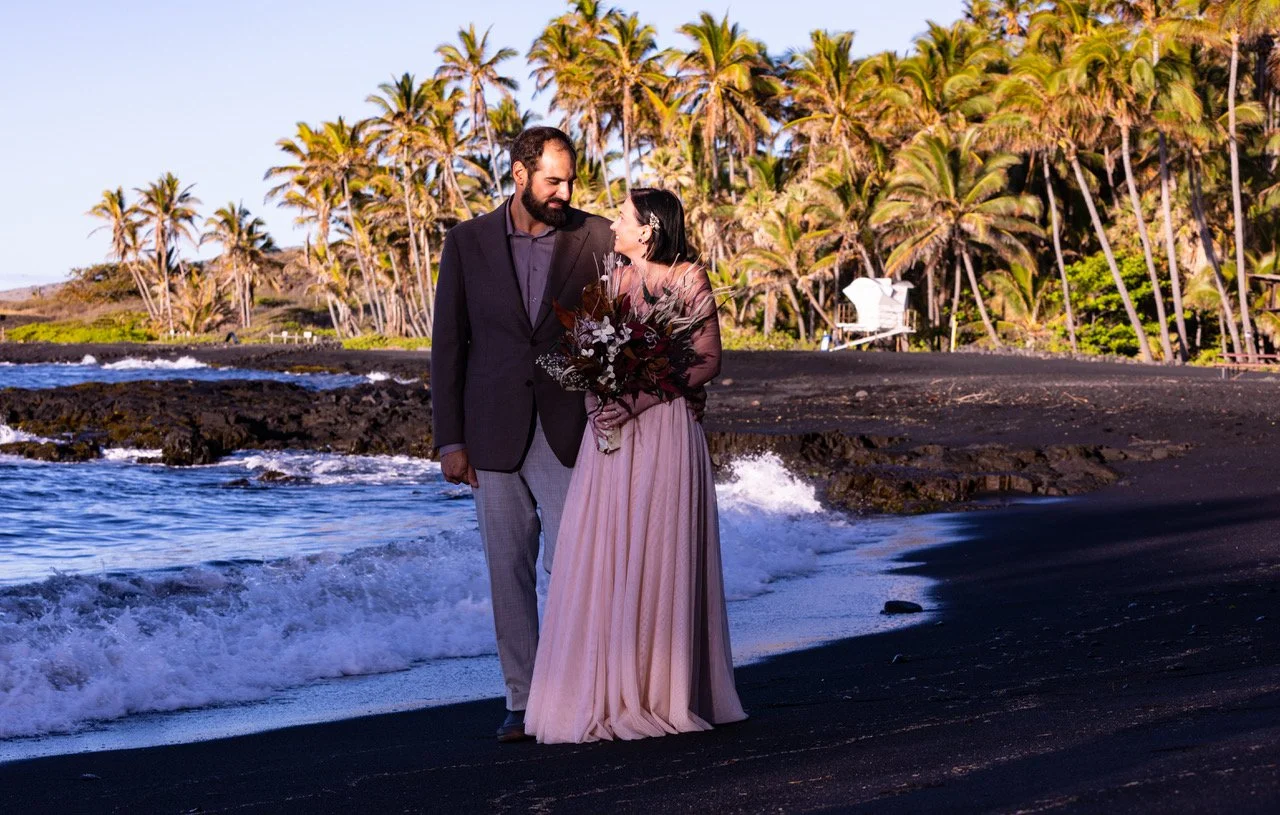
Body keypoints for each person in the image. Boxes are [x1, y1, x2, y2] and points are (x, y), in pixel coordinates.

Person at [524, 188, 747, 743]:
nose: (614, 222)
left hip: (666, 429)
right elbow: (588, 361)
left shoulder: (688, 278)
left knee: (659, 547)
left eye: (622, 215)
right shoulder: (608, 286)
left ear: (647, 229)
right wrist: (596, 404)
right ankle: (606, 687)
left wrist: (638, 400)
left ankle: (661, 691)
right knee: (609, 550)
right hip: (612, 435)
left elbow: (709, 360)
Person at [431, 127, 615, 742]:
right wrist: (449, 440)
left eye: (570, 181)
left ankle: (580, 691)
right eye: (552, 181)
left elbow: (608, 331)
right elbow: (449, 346)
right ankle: (522, 698)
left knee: (576, 568)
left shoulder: (596, 236)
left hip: (571, 427)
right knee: (507, 568)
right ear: (518, 175)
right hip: (491, 432)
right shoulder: (467, 242)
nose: (564, 192)